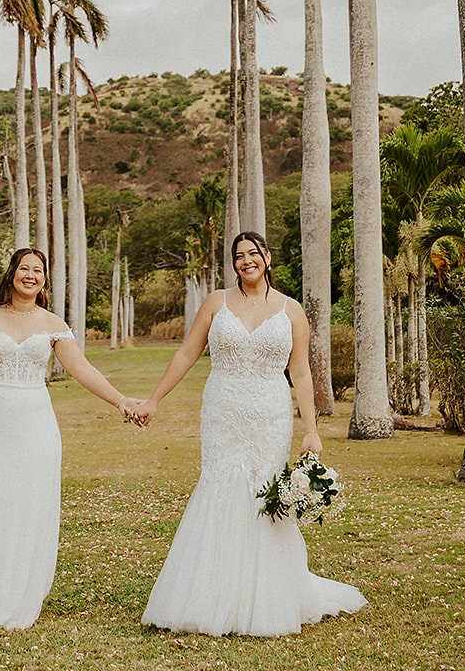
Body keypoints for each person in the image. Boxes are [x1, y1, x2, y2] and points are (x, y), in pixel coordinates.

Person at [132, 231, 366, 636]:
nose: (246, 262)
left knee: (263, 491)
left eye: (253, 254)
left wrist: (311, 430)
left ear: (268, 258)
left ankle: (266, 595)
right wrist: (154, 399)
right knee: (220, 488)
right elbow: (188, 352)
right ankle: (210, 593)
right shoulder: (215, 303)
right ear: (233, 263)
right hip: (222, 410)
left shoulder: (291, 310)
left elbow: (301, 371)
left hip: (270, 414)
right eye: (239, 256)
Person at [0, 246, 137, 629]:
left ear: (44, 279)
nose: (30, 275)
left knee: (29, 509)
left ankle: (18, 596)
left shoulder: (51, 324)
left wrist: (121, 400)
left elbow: (81, 369)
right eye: (24, 268)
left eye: (38, 270)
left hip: (36, 427)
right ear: (11, 274)